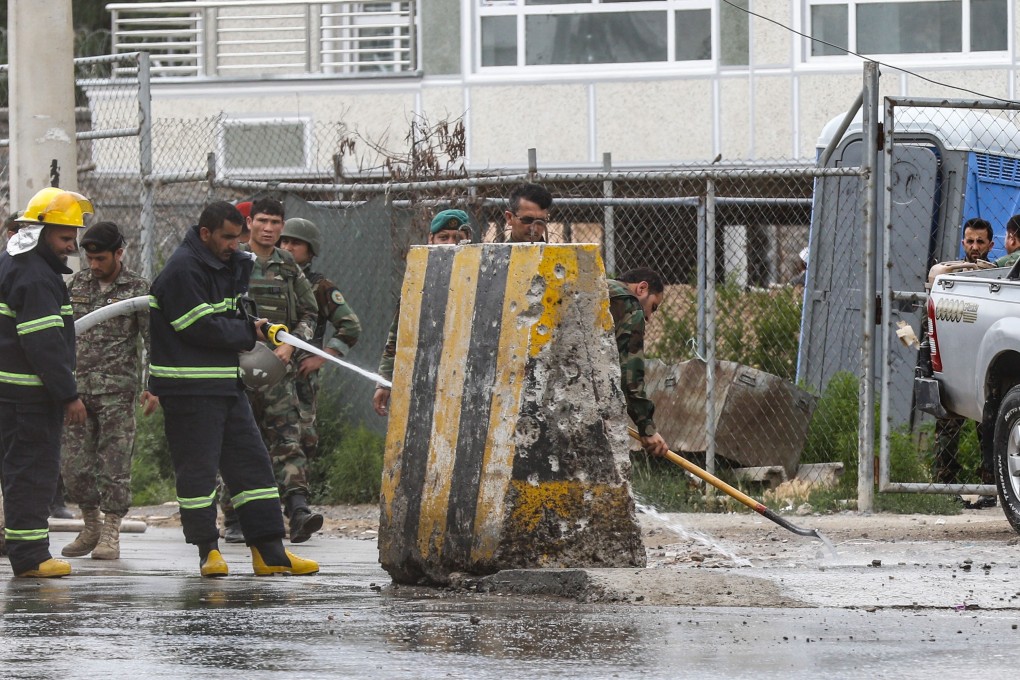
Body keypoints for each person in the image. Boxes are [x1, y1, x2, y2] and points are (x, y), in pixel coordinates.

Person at [148, 200, 317, 576]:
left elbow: (227, 314)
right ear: (205, 233)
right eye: (227, 238)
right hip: (188, 390)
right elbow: (199, 326)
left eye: (236, 237)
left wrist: (255, 323)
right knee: (198, 473)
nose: (234, 244)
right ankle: (208, 551)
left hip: (225, 386)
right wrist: (246, 332)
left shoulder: (226, 265)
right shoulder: (182, 270)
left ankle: (271, 553)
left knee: (253, 468)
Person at [0, 187, 92, 578]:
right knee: (31, 473)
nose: (71, 247)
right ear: (39, 232)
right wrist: (68, 395)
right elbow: (44, 344)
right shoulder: (36, 276)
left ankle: (28, 551)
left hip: (12, 393)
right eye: (64, 237)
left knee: (20, 471)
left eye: (73, 238)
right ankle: (31, 556)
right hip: (29, 397)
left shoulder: (13, 261)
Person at [60, 222, 157, 560]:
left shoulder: (138, 289)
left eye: (101, 258)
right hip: (77, 391)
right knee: (75, 468)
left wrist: (153, 386)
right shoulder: (76, 285)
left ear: (119, 253)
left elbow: (152, 341)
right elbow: (62, 336)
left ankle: (111, 531)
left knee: (114, 465)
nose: (94, 265)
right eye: (89, 258)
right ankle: (91, 525)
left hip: (117, 391)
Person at [229, 198, 323, 544]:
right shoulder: (234, 262)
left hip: (277, 371)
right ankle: (236, 516)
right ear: (249, 222)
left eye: (276, 223)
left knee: (288, 439)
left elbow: (310, 315)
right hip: (237, 368)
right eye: (263, 221)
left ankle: (298, 510)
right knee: (237, 440)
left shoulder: (287, 267)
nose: (269, 229)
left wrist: (290, 345)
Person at [373, 209, 473, 417]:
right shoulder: (418, 281)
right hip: (423, 379)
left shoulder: (482, 277)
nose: (449, 244)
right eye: (443, 237)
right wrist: (384, 380)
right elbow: (398, 333)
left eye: (457, 238)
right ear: (431, 239)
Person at [278, 217, 362, 463]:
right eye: (285, 241)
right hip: (268, 365)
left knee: (303, 435)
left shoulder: (319, 287)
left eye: (297, 243)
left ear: (310, 249)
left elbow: (350, 326)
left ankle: (297, 494)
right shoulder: (269, 278)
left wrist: (320, 358)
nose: (288, 247)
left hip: (300, 372)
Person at [608, 268, 669, 458]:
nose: (649, 317)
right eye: (653, 306)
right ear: (642, 288)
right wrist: (647, 427)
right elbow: (630, 372)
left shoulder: (601, 288)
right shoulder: (630, 304)